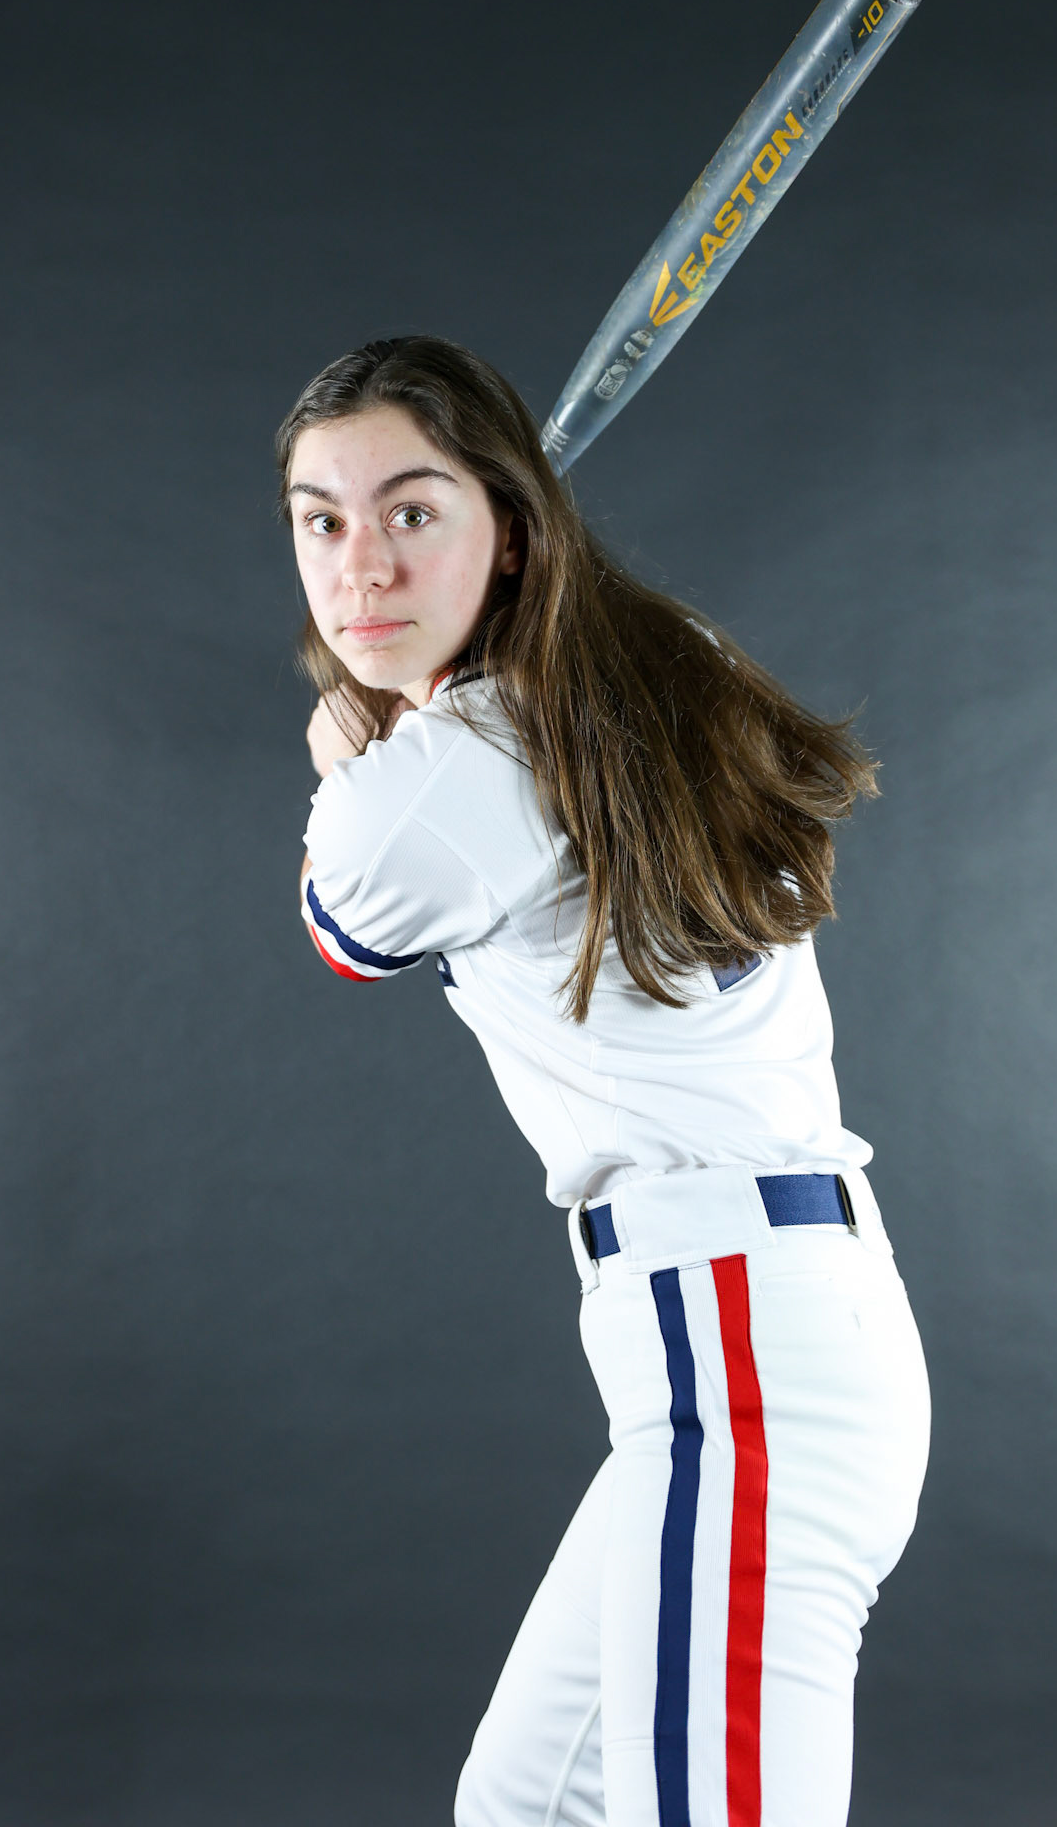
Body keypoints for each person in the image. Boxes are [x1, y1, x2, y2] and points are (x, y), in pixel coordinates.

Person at [276, 335, 931, 1827]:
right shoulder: (661, 658)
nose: (359, 563)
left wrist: (347, 760)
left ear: (506, 526)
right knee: (528, 1801)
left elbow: (343, 932)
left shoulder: (444, 770)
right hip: (775, 1331)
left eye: (412, 510)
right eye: (322, 519)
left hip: (738, 1352)